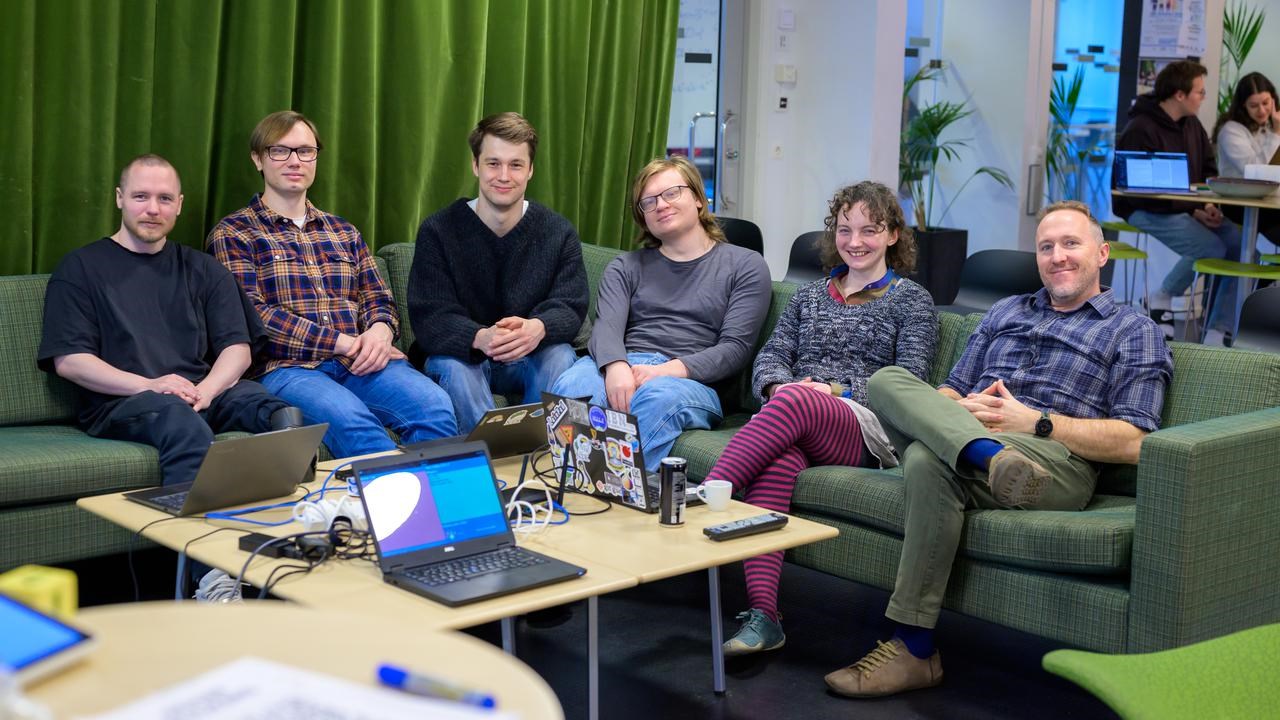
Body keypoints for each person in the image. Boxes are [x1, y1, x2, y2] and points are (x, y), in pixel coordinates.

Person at [823, 201, 1172, 698]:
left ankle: (914, 649)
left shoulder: (1134, 330)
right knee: (886, 380)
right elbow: (947, 391)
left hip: (1052, 460)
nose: (1057, 256)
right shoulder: (1006, 311)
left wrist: (1037, 423)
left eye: (1071, 244)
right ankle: (985, 455)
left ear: (1102, 253)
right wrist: (958, 406)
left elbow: (1136, 441)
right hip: (971, 432)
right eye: (1046, 247)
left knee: (925, 458)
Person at [703, 181, 938, 656]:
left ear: (893, 235)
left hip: (867, 427)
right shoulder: (809, 296)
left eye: (870, 230)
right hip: (798, 414)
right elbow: (772, 356)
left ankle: (706, 497)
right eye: (845, 229)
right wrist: (777, 387)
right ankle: (765, 617)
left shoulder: (912, 300)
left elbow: (909, 383)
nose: (855, 241)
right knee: (777, 461)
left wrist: (830, 391)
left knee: (796, 402)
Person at [38, 155, 300, 487]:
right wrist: (149, 385)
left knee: (281, 414)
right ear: (120, 198)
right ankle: (191, 521)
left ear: (179, 205)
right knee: (178, 418)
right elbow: (70, 362)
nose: (153, 209)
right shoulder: (80, 268)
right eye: (140, 196)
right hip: (124, 400)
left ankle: (291, 516)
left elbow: (238, 349)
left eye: (164, 198)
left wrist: (207, 391)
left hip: (199, 392)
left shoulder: (204, 269)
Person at [208, 111, 457, 458]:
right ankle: (397, 495)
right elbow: (254, 317)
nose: (295, 161)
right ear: (258, 159)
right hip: (287, 370)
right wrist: (345, 343)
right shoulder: (234, 233)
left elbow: (378, 298)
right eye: (280, 151)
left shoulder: (343, 231)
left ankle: (440, 495)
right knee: (354, 423)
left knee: (435, 405)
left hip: (361, 363)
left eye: (305, 151)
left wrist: (380, 333)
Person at [550, 156, 772, 470]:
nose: (661, 205)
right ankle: (570, 486)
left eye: (672, 193)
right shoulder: (625, 267)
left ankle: (616, 491)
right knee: (574, 384)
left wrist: (664, 371)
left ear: (698, 198)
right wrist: (616, 367)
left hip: (690, 381)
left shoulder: (745, 265)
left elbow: (735, 348)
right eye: (649, 201)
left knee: (655, 397)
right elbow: (606, 329)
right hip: (625, 361)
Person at [409, 112, 587, 433]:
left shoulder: (558, 232)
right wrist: (480, 337)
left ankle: (541, 455)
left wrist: (539, 327)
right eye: (493, 163)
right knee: (454, 367)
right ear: (475, 165)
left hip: (530, 355)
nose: (504, 176)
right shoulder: (438, 231)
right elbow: (429, 315)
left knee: (560, 356)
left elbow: (571, 304)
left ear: (530, 170)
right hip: (463, 359)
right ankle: (491, 459)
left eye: (516, 165)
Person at [1113, 60, 1243, 346]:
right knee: (1211, 247)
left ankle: (1218, 329)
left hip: (1186, 208)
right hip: (1142, 209)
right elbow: (1135, 192)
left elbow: (1207, 171)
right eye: (1200, 91)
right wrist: (1193, 210)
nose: (1203, 97)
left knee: (1239, 244)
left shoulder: (1193, 125)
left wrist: (1207, 207)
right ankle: (1162, 295)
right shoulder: (1140, 128)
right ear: (1180, 95)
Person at [1214, 72, 1280, 245]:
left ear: (1273, 100)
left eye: (1266, 103)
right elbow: (1255, 172)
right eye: (1254, 105)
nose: (1262, 110)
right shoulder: (1231, 130)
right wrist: (1276, 134)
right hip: (1239, 203)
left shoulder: (1271, 125)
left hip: (1270, 202)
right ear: (1243, 105)